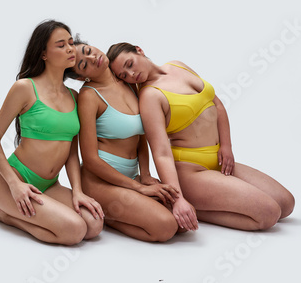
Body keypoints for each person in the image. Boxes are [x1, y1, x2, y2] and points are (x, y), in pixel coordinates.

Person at [107, 43, 295, 231]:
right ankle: (189, 205)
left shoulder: (177, 65)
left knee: (286, 204)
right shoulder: (149, 97)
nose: (131, 74)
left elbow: (217, 104)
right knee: (269, 214)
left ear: (139, 50)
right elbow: (161, 152)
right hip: (191, 172)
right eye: (124, 75)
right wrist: (178, 197)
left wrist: (226, 146)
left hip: (220, 159)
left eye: (130, 64)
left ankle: (200, 203)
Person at [0, 20, 103, 245]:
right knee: (75, 231)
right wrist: (14, 184)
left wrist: (77, 191)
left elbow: (70, 153)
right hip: (14, 182)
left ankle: (20, 213)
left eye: (70, 42)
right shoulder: (25, 88)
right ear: (43, 54)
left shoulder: (74, 97)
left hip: (50, 185)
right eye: (60, 45)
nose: (70, 48)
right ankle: (5, 214)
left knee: (94, 225)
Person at [65, 35, 191, 241]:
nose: (92, 57)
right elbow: (90, 160)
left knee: (182, 224)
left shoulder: (129, 81)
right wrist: (139, 188)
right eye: (83, 65)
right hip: (100, 182)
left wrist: (146, 174)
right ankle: (109, 217)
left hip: (133, 176)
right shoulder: (89, 96)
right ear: (81, 77)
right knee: (166, 227)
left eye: (88, 50)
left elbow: (141, 135)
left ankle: (126, 209)